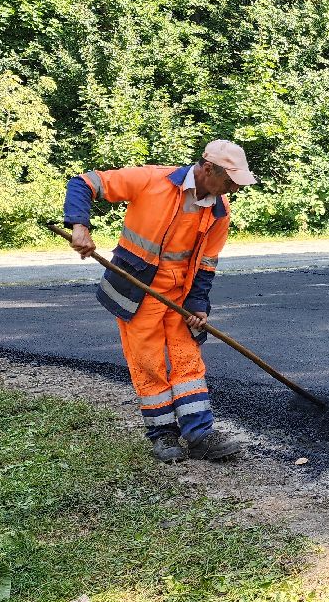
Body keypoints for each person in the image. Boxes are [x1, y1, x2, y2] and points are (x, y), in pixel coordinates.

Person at [63, 141, 257, 463]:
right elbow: (83, 183)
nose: (234, 189)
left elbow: (207, 262)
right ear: (208, 169)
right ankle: (163, 434)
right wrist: (79, 226)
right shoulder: (152, 180)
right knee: (148, 362)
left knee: (187, 360)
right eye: (230, 181)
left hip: (181, 294)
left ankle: (200, 434)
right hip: (138, 290)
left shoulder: (220, 209)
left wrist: (198, 304)